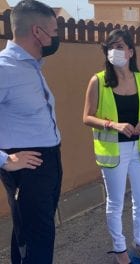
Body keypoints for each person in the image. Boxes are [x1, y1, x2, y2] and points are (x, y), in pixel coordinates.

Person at [83, 29, 140, 264]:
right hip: (113, 152)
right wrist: (112, 125)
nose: (115, 50)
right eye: (111, 46)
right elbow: (87, 117)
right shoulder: (98, 80)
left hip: (139, 149)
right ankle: (119, 249)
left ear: (131, 51)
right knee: (116, 202)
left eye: (120, 46)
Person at [0, 1, 62, 263]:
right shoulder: (4, 69)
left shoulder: (32, 66)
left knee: (34, 235)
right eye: (54, 30)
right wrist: (5, 160)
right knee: (36, 239)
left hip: (48, 161)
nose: (57, 36)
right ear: (38, 32)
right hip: (26, 167)